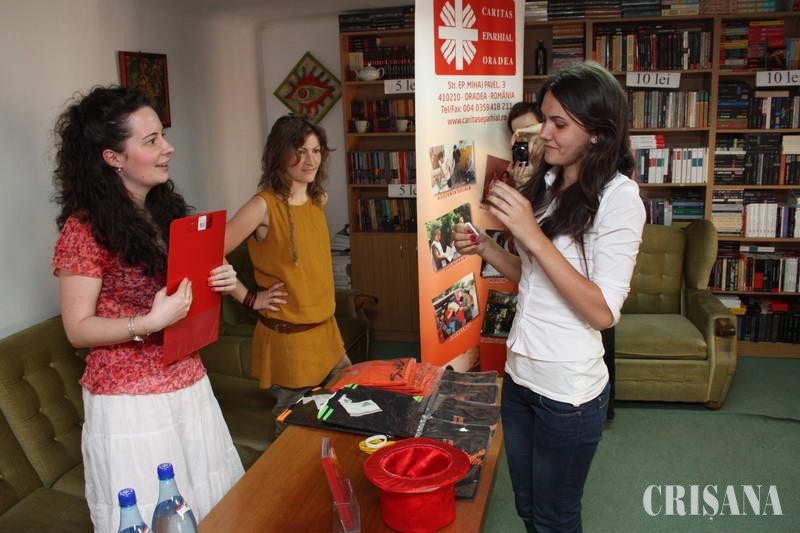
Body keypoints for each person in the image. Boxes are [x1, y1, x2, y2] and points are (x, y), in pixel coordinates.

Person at [454, 61, 646, 532]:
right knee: (527, 508)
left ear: (597, 133)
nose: (545, 132)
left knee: (554, 520)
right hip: (520, 378)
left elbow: (602, 312)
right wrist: (486, 248)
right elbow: (534, 279)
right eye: (545, 119)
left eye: (559, 123)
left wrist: (532, 235)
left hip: (567, 395)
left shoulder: (620, 198)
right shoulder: (546, 182)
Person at [51, 86, 244, 531]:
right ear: (113, 157)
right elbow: (77, 328)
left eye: (163, 136)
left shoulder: (162, 212)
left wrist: (221, 281)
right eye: (152, 140)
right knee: (155, 512)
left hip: (187, 378)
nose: (167, 148)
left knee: (209, 501)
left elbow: (182, 292)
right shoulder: (85, 230)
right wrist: (148, 323)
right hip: (131, 401)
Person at [224, 114, 349, 417]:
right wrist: (249, 298)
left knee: (346, 415)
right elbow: (207, 256)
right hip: (289, 342)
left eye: (316, 151)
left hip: (328, 335)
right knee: (295, 428)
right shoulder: (262, 206)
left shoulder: (318, 198)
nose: (311, 160)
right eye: (300, 151)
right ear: (279, 153)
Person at [507, 101, 544, 186]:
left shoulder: (557, 155)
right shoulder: (522, 157)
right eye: (519, 135)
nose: (525, 138)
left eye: (529, 129)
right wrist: (524, 185)